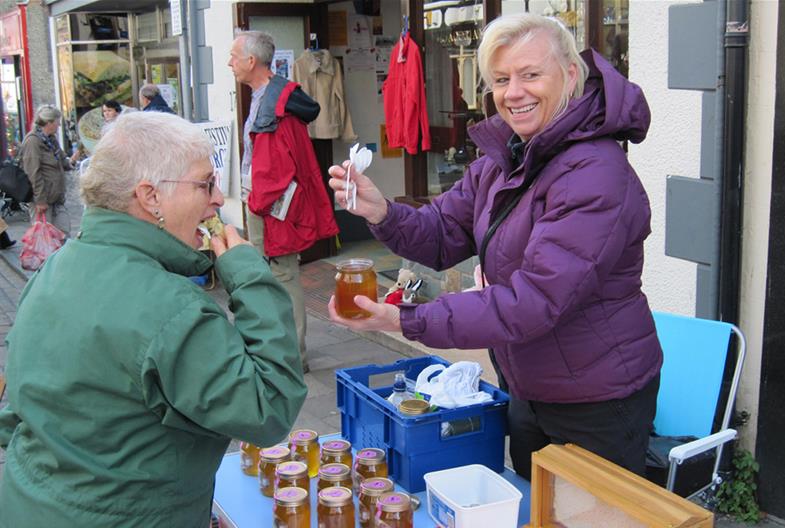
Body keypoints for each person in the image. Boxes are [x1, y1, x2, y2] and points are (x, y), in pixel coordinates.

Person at [327, 13, 662, 480]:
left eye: (530, 75)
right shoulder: (507, 158)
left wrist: (407, 320)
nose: (514, 92)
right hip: (529, 383)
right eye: (501, 79)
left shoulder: (595, 174)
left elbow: (534, 301)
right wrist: (381, 210)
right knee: (534, 504)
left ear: (568, 75)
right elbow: (444, 231)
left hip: (596, 397)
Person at [0, 111, 308, 526]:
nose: (217, 199)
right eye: (205, 184)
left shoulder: (58, 268)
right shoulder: (170, 307)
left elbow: (20, 415)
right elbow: (269, 407)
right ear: (150, 198)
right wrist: (250, 277)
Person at [228, 29, 337, 374]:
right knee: (277, 274)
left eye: (234, 56)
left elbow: (275, 170)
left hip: (270, 206)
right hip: (264, 202)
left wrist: (257, 203)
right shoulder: (269, 97)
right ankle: (285, 350)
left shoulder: (276, 103)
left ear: (251, 61)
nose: (229, 62)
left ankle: (292, 355)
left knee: (283, 275)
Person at [19, 104, 82, 236]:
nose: (59, 125)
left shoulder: (51, 140)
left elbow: (64, 162)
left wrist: (74, 159)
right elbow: (33, 173)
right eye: (57, 121)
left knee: (63, 234)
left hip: (57, 198)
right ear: (49, 122)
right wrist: (40, 200)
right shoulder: (33, 142)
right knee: (45, 239)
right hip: (43, 200)